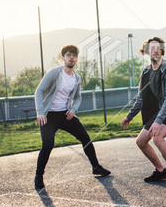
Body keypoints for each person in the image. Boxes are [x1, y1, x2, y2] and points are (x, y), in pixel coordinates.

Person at [34, 44, 111, 190]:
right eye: (68, 55)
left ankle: (96, 167)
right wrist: (40, 112)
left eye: (74, 56)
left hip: (65, 114)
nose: (72, 58)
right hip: (49, 115)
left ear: (77, 59)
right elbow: (39, 91)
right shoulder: (54, 73)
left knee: (85, 138)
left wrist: (73, 110)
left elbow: (78, 98)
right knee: (48, 144)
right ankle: (38, 176)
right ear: (63, 58)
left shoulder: (76, 78)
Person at [121, 37, 166, 191]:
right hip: (162, 111)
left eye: (157, 47)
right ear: (146, 51)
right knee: (140, 141)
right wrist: (129, 116)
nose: (155, 50)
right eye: (151, 48)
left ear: (162, 50)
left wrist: (158, 121)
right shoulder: (146, 72)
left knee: (157, 137)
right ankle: (161, 171)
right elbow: (141, 98)